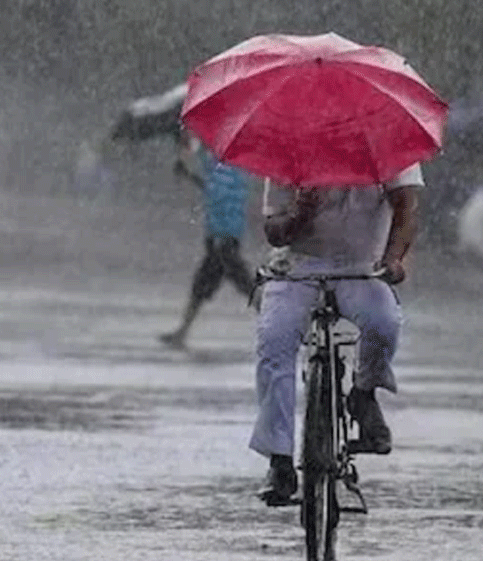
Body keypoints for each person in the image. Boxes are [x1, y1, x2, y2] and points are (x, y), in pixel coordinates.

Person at [253, 163, 425, 502]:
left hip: (362, 267)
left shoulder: (386, 144)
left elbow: (406, 207)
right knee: (274, 342)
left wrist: (393, 259)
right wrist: (299, 216)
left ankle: (363, 393)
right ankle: (280, 459)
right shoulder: (291, 148)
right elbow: (273, 231)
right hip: (298, 266)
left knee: (384, 323)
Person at [158, 131, 256, 349]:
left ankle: (283, 327)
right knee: (208, 286)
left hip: (223, 239)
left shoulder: (224, 165)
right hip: (222, 237)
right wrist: (188, 174)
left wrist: (186, 170)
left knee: (245, 286)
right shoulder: (229, 164)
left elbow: (218, 193)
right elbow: (214, 190)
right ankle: (182, 332)